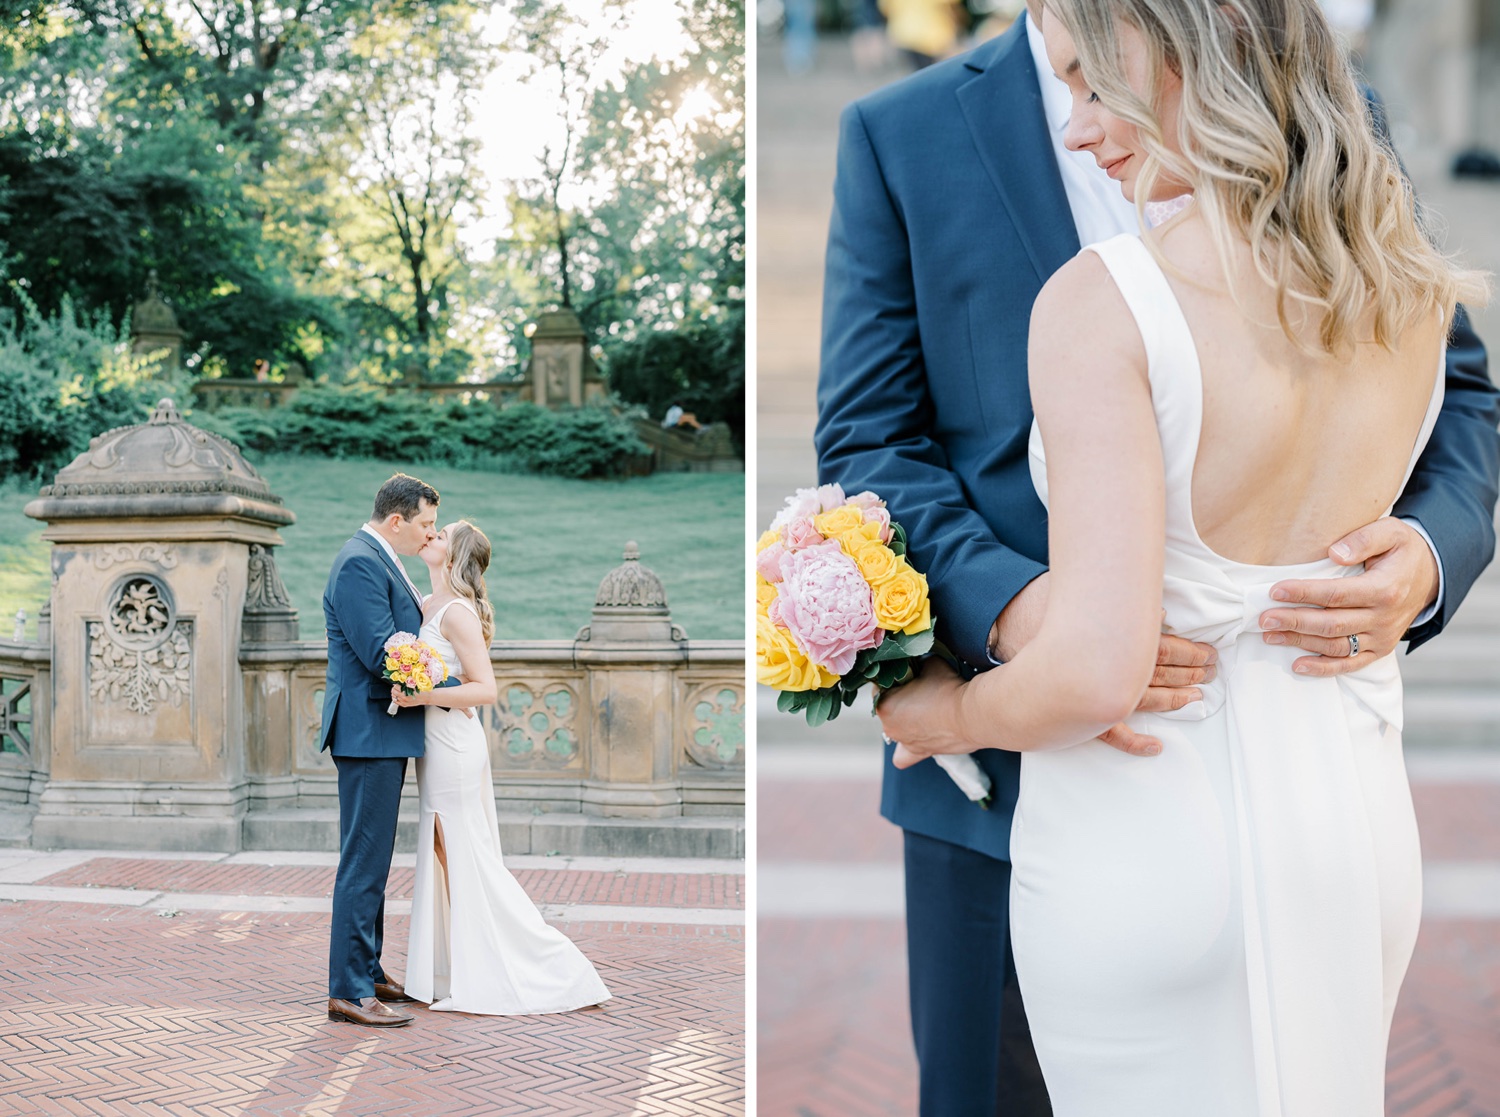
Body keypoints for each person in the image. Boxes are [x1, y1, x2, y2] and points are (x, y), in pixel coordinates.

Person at [814, 2, 1499, 1114]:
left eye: (1101, 88)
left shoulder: (1152, 266)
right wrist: (1020, 611)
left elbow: (1466, 400)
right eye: (1074, 89)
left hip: (1130, 815)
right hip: (1321, 808)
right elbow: (866, 440)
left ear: (1178, 53)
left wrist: (1424, 554)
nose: (1085, 126)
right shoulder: (902, 131)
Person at [391, 521, 610, 1014]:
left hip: (454, 745)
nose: (430, 536)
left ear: (455, 555)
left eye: (440, 534)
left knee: (465, 852)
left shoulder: (458, 613)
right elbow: (451, 674)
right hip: (434, 741)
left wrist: (421, 694)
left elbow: (485, 689)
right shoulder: (426, 605)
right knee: (445, 851)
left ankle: (545, 964)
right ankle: (454, 969)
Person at [322, 473, 442, 1028]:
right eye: (425, 524)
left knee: (375, 859)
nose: (429, 535)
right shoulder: (359, 562)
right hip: (368, 730)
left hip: (382, 730)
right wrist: (441, 681)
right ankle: (347, 991)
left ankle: (367, 970)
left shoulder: (379, 558)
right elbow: (380, 652)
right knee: (363, 862)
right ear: (397, 521)